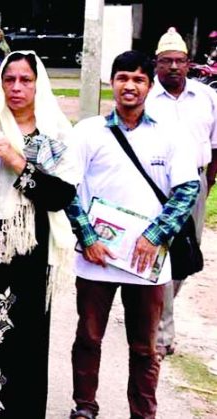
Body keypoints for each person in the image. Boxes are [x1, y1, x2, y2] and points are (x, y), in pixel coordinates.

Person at [66, 50, 199, 419]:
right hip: (97, 258)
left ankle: (143, 412)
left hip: (149, 261)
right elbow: (68, 189)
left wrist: (154, 236)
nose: (130, 86)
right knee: (89, 338)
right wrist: (88, 238)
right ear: (112, 82)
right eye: (123, 77)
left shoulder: (171, 135)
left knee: (144, 347)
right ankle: (84, 406)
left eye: (139, 79)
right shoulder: (88, 131)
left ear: (149, 85)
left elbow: (187, 190)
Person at [0, 50, 78, 419]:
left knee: (26, 337)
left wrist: (17, 161)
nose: (16, 87)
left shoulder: (55, 131)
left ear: (38, 84)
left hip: (33, 247)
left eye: (25, 80)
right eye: (9, 80)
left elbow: (61, 195)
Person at [146, 27, 217, 360]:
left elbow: (216, 147)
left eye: (179, 61)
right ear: (156, 64)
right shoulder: (146, 97)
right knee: (162, 252)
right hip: (157, 186)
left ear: (189, 64)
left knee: (188, 255)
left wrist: (208, 182)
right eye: (166, 61)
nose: (173, 67)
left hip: (197, 183)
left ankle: (157, 304)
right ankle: (163, 330)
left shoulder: (207, 98)